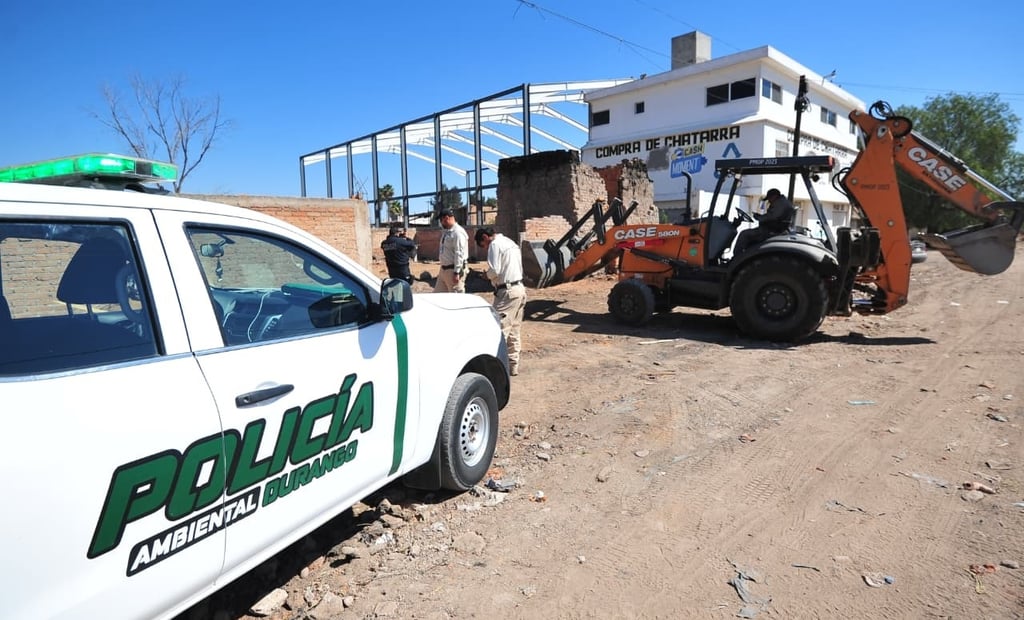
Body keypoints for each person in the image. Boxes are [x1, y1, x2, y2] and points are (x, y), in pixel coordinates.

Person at [474, 227, 526, 376]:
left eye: (483, 245)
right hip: (519, 289)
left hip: (507, 292)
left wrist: (486, 276)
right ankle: (512, 366)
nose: (485, 249)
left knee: (499, 330)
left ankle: (496, 370)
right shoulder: (509, 242)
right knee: (514, 330)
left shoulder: (495, 245)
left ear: (485, 237)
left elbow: (494, 270)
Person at [733, 188, 795, 256]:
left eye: (769, 199)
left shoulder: (781, 203)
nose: (769, 201)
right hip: (773, 229)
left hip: (773, 231)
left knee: (744, 234)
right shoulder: (782, 202)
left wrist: (759, 218)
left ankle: (736, 257)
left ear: (774, 196)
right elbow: (772, 216)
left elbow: (772, 217)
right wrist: (760, 217)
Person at [433, 207, 468, 293]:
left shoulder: (458, 232)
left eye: (441, 220)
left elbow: (459, 253)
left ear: (446, 218)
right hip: (444, 270)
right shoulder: (447, 232)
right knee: (437, 297)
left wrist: (457, 272)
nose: (441, 223)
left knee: (455, 300)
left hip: (453, 270)